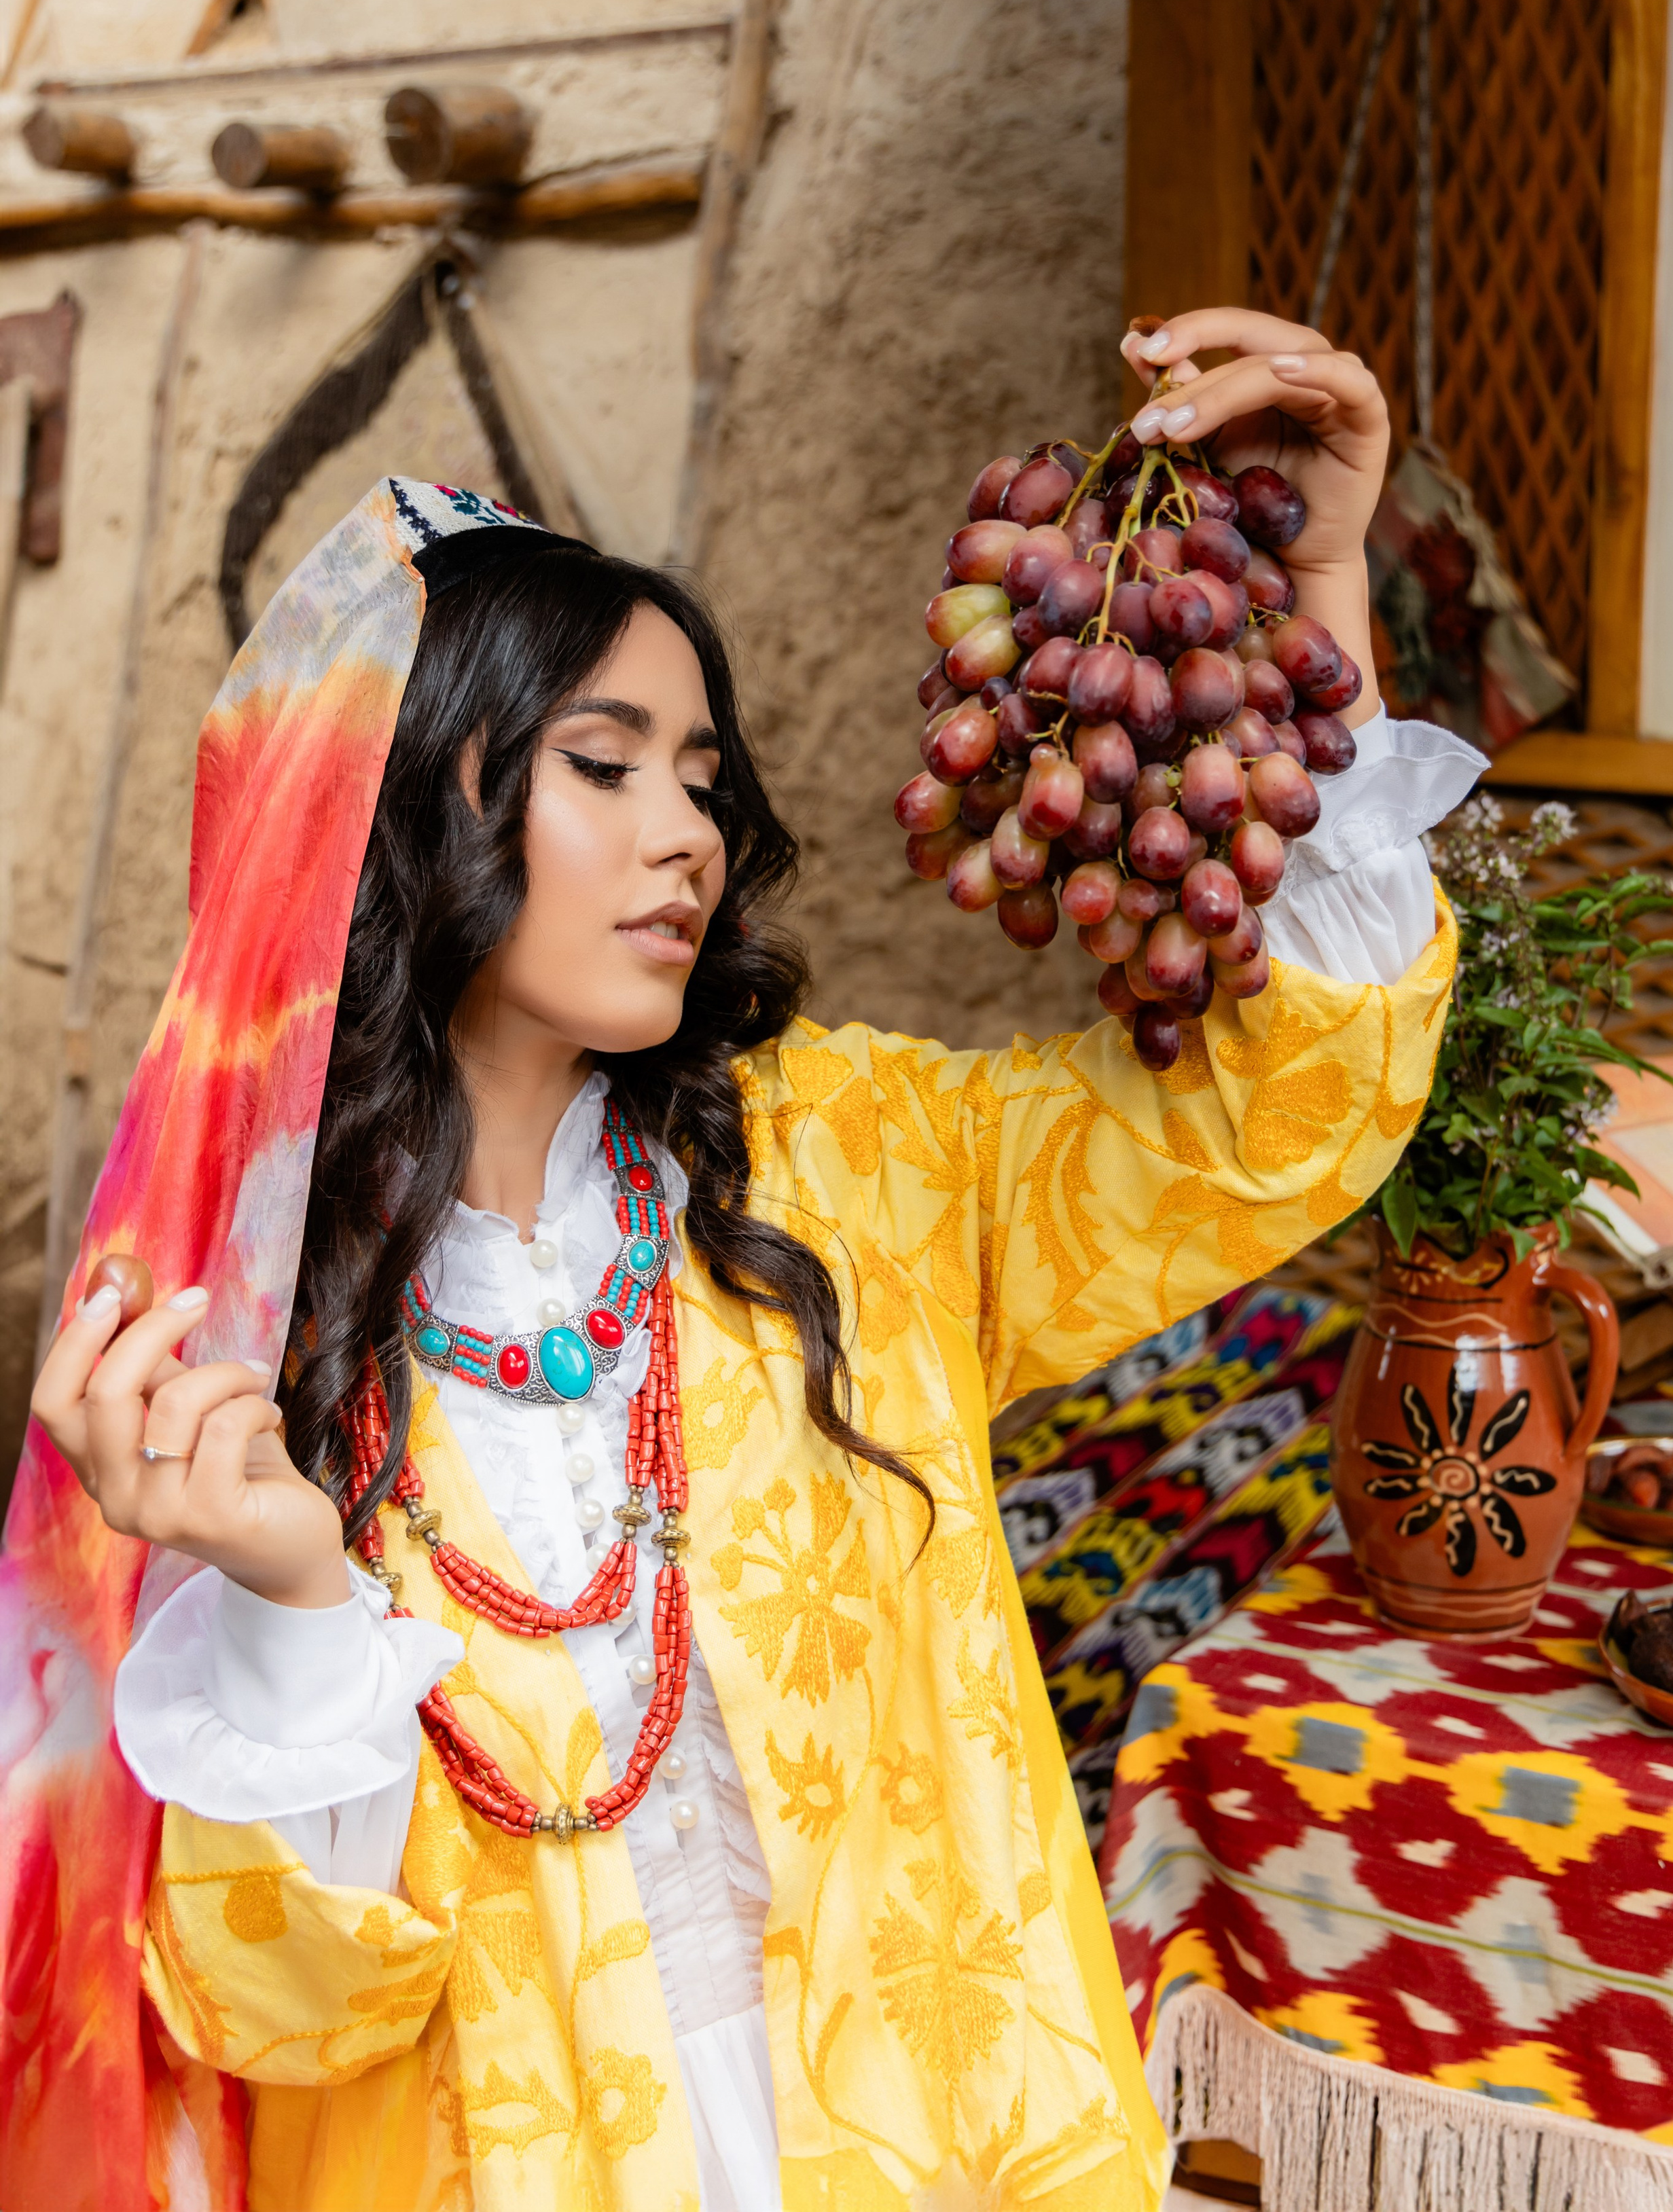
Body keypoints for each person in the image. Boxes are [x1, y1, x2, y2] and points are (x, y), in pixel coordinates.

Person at [3, 312, 1479, 2212]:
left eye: (700, 776)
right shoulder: (227, 1353)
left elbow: (1277, 1113)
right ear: (403, 806)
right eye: (603, 766)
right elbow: (272, 2025)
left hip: (926, 2142)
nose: (687, 835)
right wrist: (289, 1592)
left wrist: (1314, 586)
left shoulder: (852, 1168)